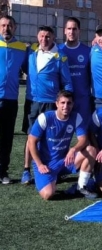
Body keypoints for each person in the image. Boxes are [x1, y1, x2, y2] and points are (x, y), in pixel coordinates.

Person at [22, 25, 73, 184]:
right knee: (31, 136)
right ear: (38, 37)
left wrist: (68, 103)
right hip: (32, 101)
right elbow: (25, 69)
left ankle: (54, 169)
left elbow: (67, 82)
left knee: (51, 138)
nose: (44, 39)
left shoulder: (60, 57)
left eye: (48, 36)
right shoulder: (31, 54)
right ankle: (26, 170)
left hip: (51, 103)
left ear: (53, 38)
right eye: (42, 36)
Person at [27, 90, 97, 200]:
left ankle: (81, 186)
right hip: (46, 164)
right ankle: (51, 179)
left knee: (91, 150)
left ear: (73, 104)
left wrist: (73, 149)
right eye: (63, 103)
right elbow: (31, 142)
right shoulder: (45, 118)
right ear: (57, 104)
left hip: (64, 161)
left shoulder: (76, 117)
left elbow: (84, 140)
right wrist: (40, 164)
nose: (66, 106)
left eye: (69, 103)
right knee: (48, 194)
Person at [0, 15, 27, 184]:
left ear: (15, 28)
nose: (6, 28)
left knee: (7, 137)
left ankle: (3, 171)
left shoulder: (21, 48)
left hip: (11, 99)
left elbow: (29, 68)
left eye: (9, 25)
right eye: (3, 25)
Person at [58, 17, 91, 124]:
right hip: (64, 101)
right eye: (69, 28)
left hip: (82, 99)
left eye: (74, 29)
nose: (71, 31)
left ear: (79, 31)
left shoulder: (87, 51)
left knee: (85, 132)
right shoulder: (58, 50)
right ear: (65, 31)